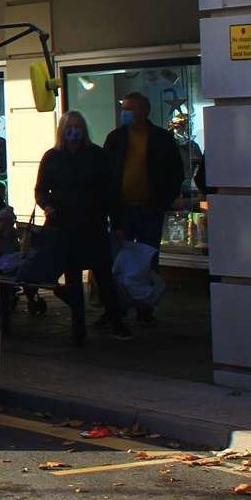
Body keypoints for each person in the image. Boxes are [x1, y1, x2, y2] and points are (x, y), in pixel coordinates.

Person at [34, 110, 130, 342]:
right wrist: (47, 206)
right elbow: (40, 189)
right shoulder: (52, 157)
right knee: (73, 278)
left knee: (103, 275)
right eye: (69, 128)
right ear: (62, 131)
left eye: (77, 127)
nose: (73, 133)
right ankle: (78, 327)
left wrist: (117, 222)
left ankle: (115, 321)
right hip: (64, 226)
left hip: (92, 224)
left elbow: (110, 192)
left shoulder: (97, 155)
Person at [103, 91, 184, 324]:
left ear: (143, 111)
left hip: (150, 208)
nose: (125, 113)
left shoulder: (161, 138)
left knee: (148, 259)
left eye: (129, 109)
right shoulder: (116, 138)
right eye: (123, 108)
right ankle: (117, 307)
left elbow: (175, 172)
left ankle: (145, 307)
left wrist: (163, 200)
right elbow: (108, 176)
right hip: (123, 209)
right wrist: (113, 212)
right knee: (118, 260)